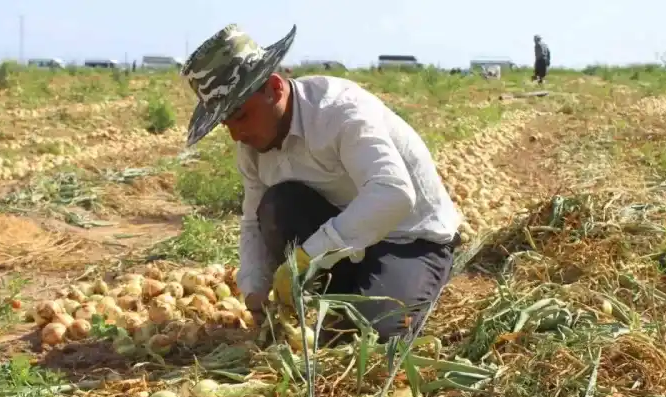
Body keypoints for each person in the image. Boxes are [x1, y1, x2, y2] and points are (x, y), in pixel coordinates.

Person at [179, 24, 462, 344]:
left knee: (369, 338)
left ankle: (409, 283)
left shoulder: (339, 111)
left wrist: (305, 258)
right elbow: (251, 223)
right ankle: (342, 290)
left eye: (241, 116)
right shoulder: (252, 148)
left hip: (409, 239)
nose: (236, 135)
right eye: (226, 124)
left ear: (273, 87)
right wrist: (255, 289)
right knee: (275, 206)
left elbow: (393, 194)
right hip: (345, 236)